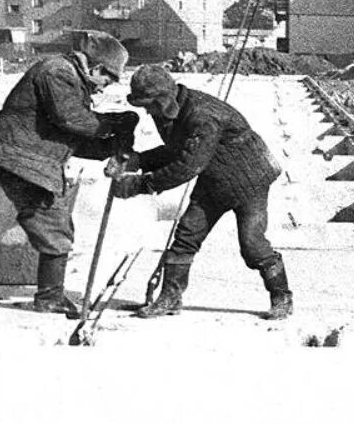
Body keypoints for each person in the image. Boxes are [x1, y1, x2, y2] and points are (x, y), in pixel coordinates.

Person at [0, 31, 138, 318]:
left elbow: (72, 139)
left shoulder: (76, 86)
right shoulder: (56, 71)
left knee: (57, 235)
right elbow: (70, 119)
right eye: (110, 78)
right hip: (6, 164)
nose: (107, 86)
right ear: (96, 67)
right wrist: (114, 122)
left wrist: (110, 145)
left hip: (40, 173)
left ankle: (50, 297)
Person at [110, 64, 288, 320]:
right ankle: (170, 298)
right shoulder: (171, 113)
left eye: (148, 105)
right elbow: (178, 151)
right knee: (186, 235)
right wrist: (136, 161)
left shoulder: (202, 115)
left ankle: (282, 296)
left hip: (250, 179)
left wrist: (140, 184)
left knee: (253, 244)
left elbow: (187, 165)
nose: (147, 112)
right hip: (214, 178)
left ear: (162, 100)